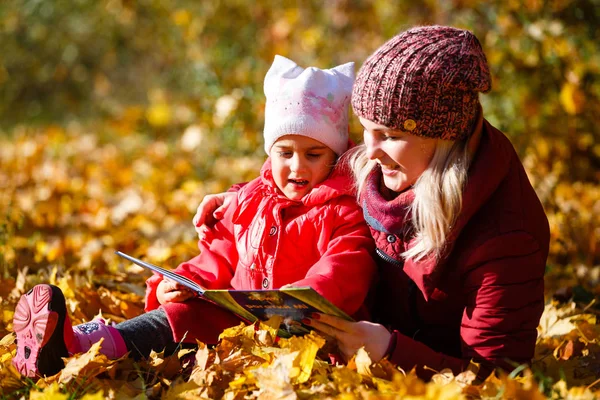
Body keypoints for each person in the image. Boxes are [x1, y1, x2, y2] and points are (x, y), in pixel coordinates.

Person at [192, 26, 550, 380]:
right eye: (367, 129)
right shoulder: (392, 167)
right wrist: (242, 198)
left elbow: (499, 379)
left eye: (391, 136)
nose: (372, 151)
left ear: (444, 137)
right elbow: (318, 188)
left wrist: (392, 352)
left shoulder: (504, 236)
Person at [12, 55, 377, 378]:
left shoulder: (343, 209)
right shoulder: (250, 200)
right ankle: (78, 348)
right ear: (271, 152)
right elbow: (216, 257)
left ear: (335, 154)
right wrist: (177, 283)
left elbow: (347, 265)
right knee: (183, 316)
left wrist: (302, 296)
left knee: (243, 343)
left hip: (310, 334)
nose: (297, 166)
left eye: (313, 154)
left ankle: (98, 350)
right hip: (240, 323)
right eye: (285, 153)